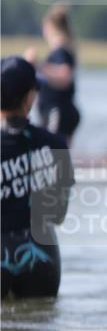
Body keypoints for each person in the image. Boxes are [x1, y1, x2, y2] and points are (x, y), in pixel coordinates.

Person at [1, 56, 75, 299]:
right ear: (29, 98)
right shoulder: (55, 144)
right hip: (41, 257)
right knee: (40, 320)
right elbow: (58, 214)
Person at [25, 5, 81, 144]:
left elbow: (65, 76)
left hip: (58, 111)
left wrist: (37, 66)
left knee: (53, 149)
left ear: (50, 28)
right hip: (58, 111)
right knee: (60, 151)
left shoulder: (61, 51)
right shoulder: (61, 51)